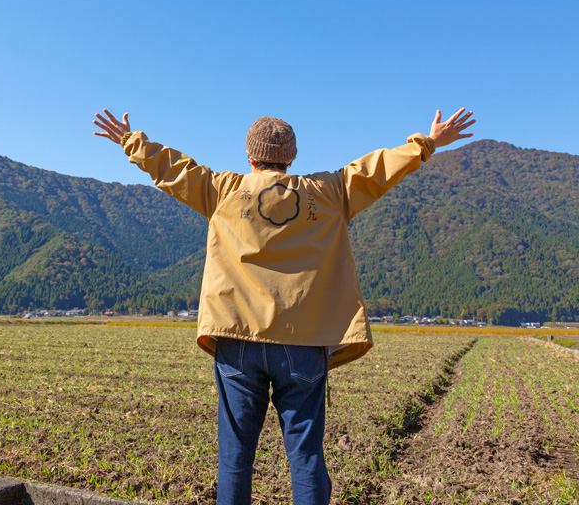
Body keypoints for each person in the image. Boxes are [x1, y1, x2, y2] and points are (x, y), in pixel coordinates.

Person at [92, 108, 476, 505]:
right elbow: (376, 170)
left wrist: (131, 141)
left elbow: (174, 170)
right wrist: (427, 143)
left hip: (237, 339)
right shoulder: (330, 192)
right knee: (306, 457)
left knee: (236, 458)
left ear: (249, 155)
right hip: (305, 344)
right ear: (291, 156)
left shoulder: (222, 190)